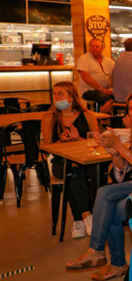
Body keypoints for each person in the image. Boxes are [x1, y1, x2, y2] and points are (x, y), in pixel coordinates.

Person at [65, 90, 132, 281]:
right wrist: (115, 153)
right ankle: (101, 253)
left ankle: (108, 258)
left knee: (111, 208)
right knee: (106, 196)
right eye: (130, 108)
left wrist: (118, 145)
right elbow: (123, 172)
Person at [41, 81, 101, 238]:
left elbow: (97, 141)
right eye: (54, 93)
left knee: (79, 172)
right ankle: (87, 215)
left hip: (86, 161)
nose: (56, 97)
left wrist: (78, 139)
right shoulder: (49, 117)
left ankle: (78, 221)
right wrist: (61, 142)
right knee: (72, 170)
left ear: (71, 97)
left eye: (60, 93)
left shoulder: (87, 116)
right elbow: (47, 147)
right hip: (60, 162)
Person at [76, 38, 114, 113]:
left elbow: (116, 73)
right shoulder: (84, 58)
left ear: (102, 48)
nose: (94, 48)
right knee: (106, 98)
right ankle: (99, 115)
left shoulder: (108, 61)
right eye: (92, 46)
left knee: (119, 97)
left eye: (97, 46)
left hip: (105, 89)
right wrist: (101, 89)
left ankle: (111, 117)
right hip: (89, 90)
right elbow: (85, 77)